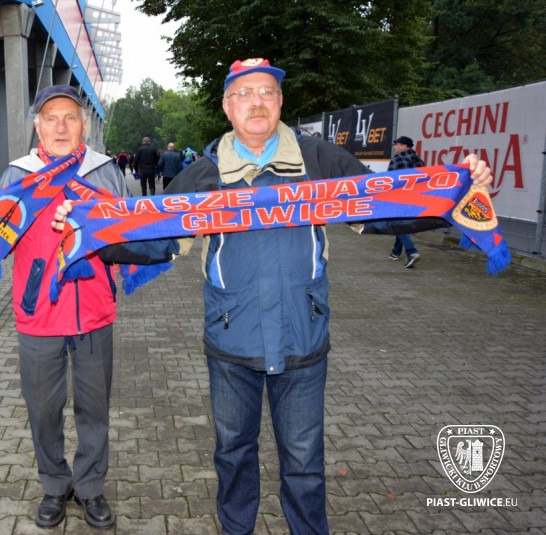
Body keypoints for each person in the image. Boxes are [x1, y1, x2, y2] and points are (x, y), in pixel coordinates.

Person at [54, 57, 493, 535]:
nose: (256, 102)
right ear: (227, 107)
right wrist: (88, 232)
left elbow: (386, 204)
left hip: (303, 338)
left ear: (280, 101)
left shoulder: (318, 161)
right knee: (233, 455)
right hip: (231, 342)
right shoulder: (205, 173)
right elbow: (154, 237)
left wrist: (458, 194)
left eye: (266, 92)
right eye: (243, 94)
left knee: (304, 462)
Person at [0, 85, 129, 530]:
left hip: (93, 311)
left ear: (84, 126)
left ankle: (91, 487)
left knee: (94, 410)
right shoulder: (17, 174)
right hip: (38, 314)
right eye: (50, 118)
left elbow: (129, 236)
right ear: (38, 126)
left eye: (70, 117)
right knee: (43, 410)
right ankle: (54, 485)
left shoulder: (105, 171)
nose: (60, 127)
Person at [387, 135, 425, 268]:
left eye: (397, 144)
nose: (395, 147)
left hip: (399, 197)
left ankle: (411, 252)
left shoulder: (397, 160)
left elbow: (390, 180)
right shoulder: (418, 161)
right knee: (403, 224)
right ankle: (395, 252)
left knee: (397, 224)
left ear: (405, 146)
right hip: (416, 197)